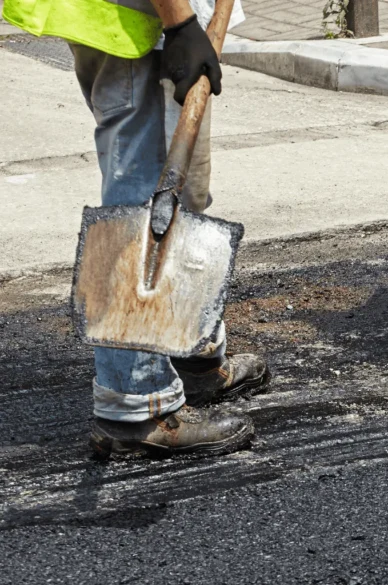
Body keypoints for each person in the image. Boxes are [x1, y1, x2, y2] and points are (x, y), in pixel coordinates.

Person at [2, 0, 270, 458]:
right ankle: (135, 404)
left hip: (159, 18)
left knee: (184, 192)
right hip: (143, 23)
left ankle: (191, 354)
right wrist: (181, 23)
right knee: (142, 201)